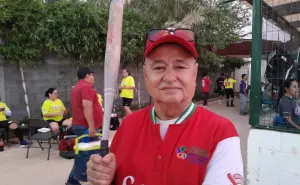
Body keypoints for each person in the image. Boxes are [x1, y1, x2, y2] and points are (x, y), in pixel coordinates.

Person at [86, 28, 243, 185]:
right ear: (146, 75)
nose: (169, 78)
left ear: (194, 74)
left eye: (180, 67)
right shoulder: (128, 124)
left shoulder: (221, 133)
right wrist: (106, 177)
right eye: (159, 68)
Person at [66, 67, 103, 185]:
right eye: (92, 75)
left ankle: (72, 180)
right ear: (87, 75)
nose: (94, 78)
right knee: (84, 156)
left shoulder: (76, 87)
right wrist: (91, 126)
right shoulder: (86, 87)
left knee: (83, 155)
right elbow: (87, 106)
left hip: (81, 125)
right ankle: (72, 181)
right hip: (85, 126)